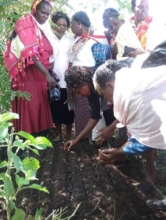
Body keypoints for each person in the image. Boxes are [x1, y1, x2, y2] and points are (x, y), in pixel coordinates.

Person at [93, 59, 166, 192]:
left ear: (110, 85)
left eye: (103, 95)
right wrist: (119, 151)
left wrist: (119, 152)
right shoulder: (128, 81)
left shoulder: (133, 95)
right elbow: (141, 133)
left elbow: (146, 142)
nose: (106, 100)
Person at [4, 0, 59, 137]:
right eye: (42, 12)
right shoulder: (25, 22)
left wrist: (48, 73)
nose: (45, 16)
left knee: (39, 109)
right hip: (27, 77)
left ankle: (38, 145)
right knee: (29, 109)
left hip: (41, 77)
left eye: (48, 14)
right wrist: (47, 74)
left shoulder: (45, 29)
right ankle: (23, 146)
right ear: (34, 9)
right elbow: (30, 53)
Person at [69, 11, 112, 143]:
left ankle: (96, 138)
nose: (70, 27)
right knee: (81, 109)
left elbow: (104, 59)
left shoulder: (98, 37)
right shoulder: (76, 40)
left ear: (79, 23)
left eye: (72, 24)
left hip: (90, 76)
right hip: (76, 78)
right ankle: (82, 138)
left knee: (93, 108)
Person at [64, 66, 109, 150]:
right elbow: (94, 117)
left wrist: (111, 128)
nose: (80, 95)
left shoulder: (101, 81)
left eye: (78, 92)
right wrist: (75, 140)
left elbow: (123, 109)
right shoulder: (91, 92)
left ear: (84, 84)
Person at [50, 11, 74, 141]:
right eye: (59, 24)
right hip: (53, 80)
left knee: (69, 110)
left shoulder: (71, 40)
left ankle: (69, 136)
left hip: (67, 81)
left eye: (64, 25)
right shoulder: (48, 39)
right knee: (56, 108)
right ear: (54, 25)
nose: (61, 27)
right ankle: (59, 135)